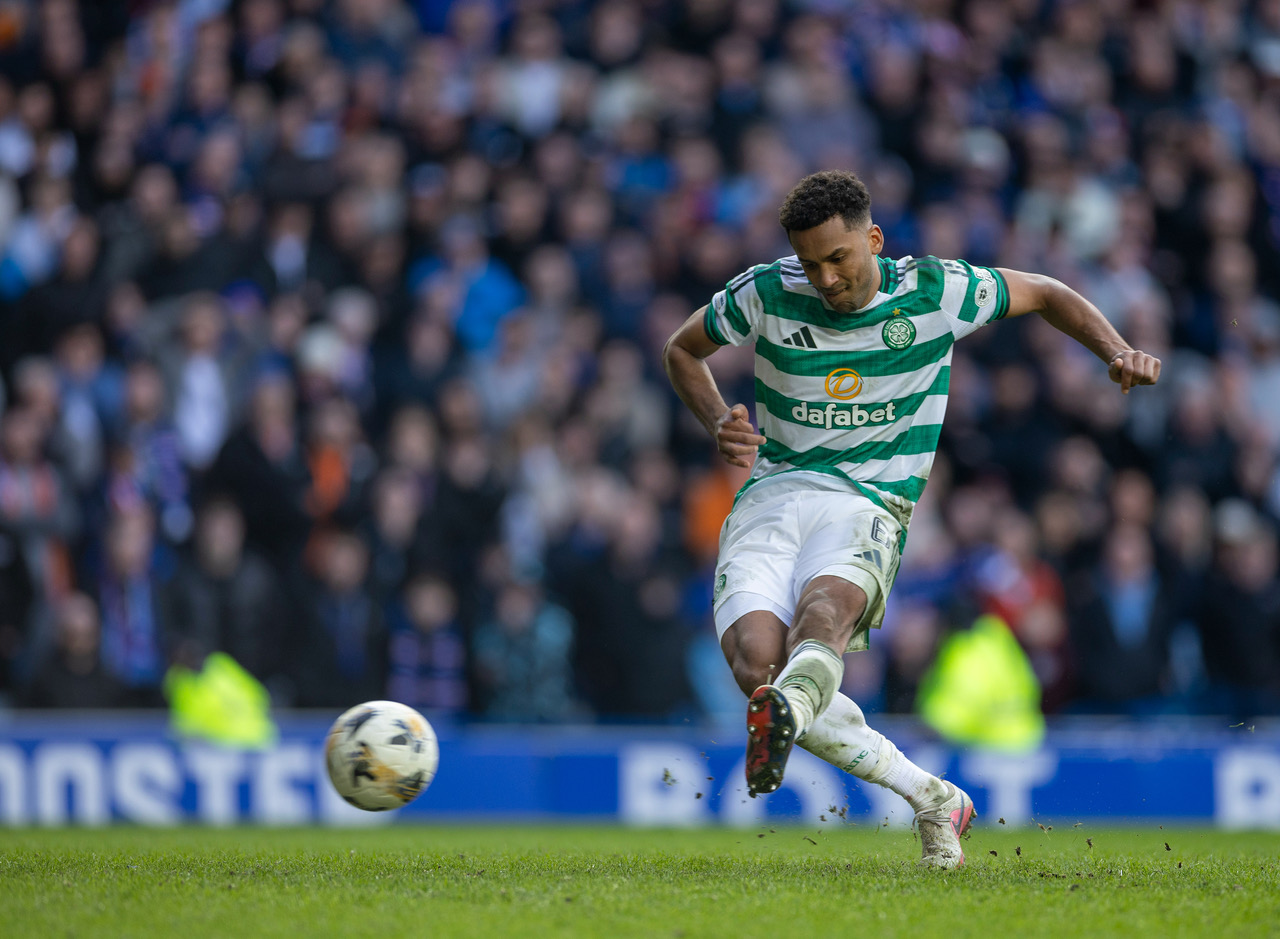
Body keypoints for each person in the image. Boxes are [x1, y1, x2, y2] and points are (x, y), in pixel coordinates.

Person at [662, 170, 1161, 869]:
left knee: (822, 616)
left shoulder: (936, 291)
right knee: (757, 668)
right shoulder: (766, 290)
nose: (827, 278)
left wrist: (1115, 350)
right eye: (811, 263)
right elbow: (682, 348)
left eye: (840, 258)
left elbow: (1047, 292)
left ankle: (806, 719)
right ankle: (932, 795)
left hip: (869, 498)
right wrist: (719, 420)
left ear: (873, 238)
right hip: (773, 493)